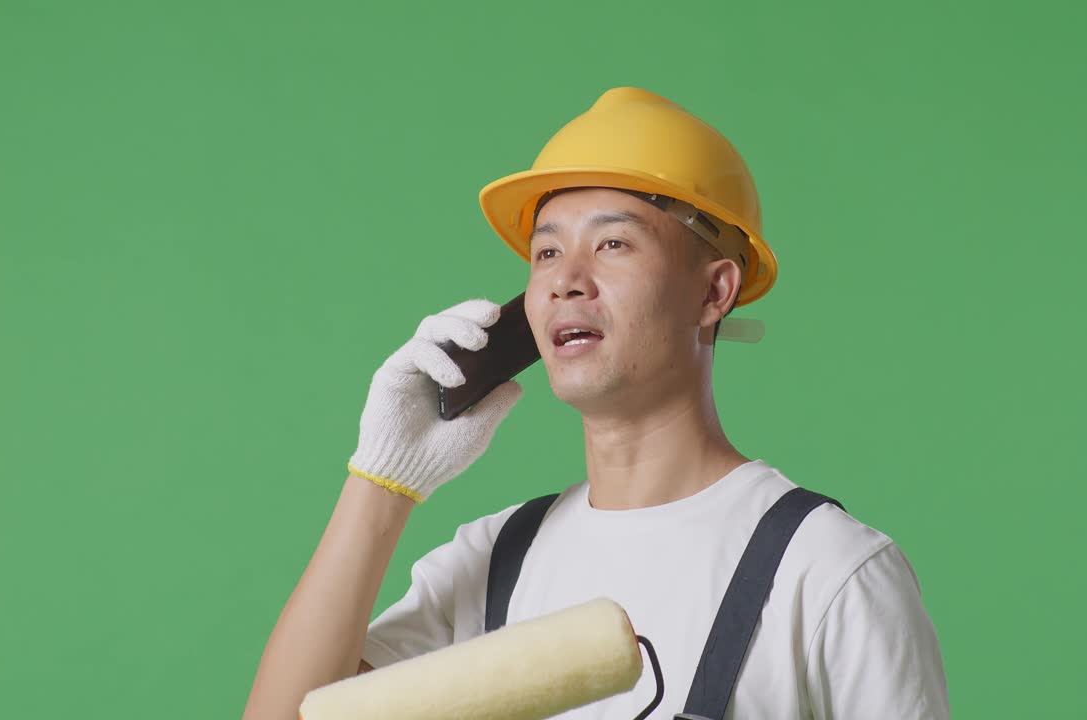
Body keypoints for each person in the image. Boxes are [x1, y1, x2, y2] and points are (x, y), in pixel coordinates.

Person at [243, 87, 950, 719]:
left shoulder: (827, 569)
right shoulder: (494, 561)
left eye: (613, 243)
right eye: (547, 253)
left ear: (714, 292)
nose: (566, 281)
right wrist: (383, 481)